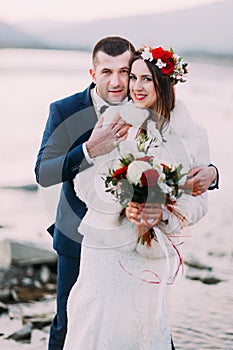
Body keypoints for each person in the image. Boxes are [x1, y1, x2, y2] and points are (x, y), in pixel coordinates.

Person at [34, 36, 218, 349]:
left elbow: (189, 171)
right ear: (93, 74)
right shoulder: (66, 110)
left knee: (147, 325)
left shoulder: (163, 119)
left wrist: (211, 174)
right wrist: (90, 149)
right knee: (72, 321)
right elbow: (45, 172)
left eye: (127, 72)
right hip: (81, 236)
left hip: (146, 245)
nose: (121, 82)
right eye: (108, 72)